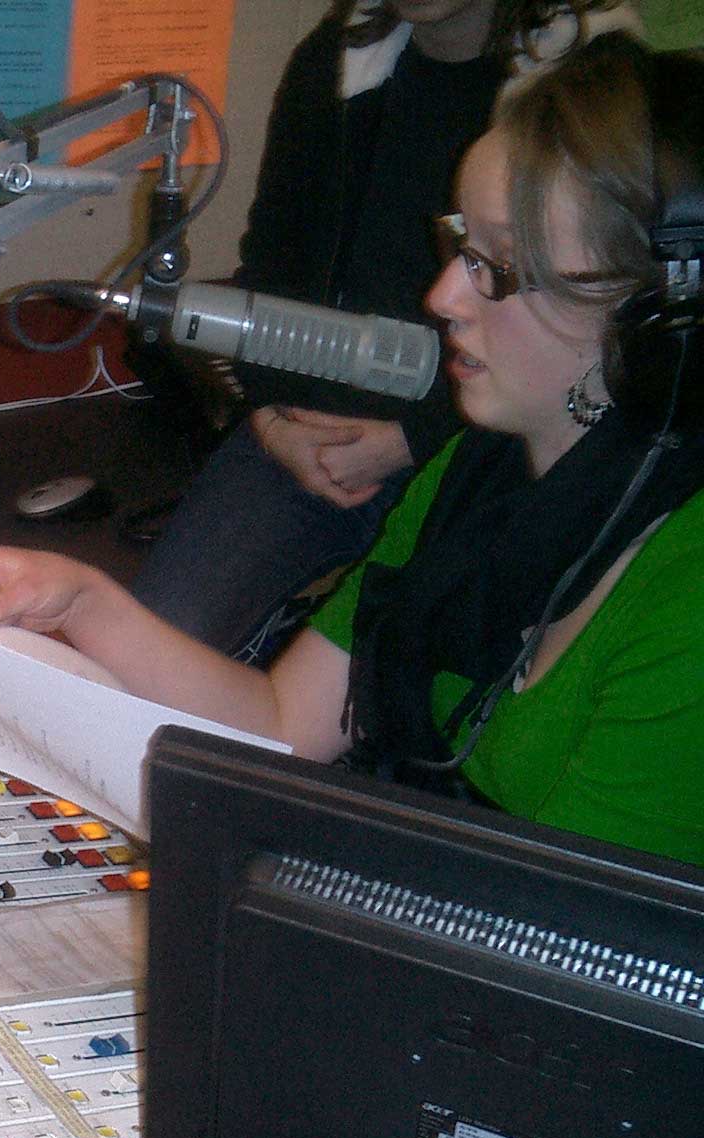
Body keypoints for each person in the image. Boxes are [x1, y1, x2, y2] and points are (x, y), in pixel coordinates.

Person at [0, 31, 704, 863]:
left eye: (500, 267)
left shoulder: (685, 595)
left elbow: (572, 951)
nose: (443, 294)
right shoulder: (470, 472)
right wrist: (82, 600)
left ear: (656, 316)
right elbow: (285, 722)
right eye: (460, 246)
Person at [127, 0, 639, 665]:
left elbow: (596, 341)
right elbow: (272, 263)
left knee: (430, 677)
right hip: (305, 431)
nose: (446, 294)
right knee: (147, 657)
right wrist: (274, 420)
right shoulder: (334, 63)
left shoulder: (590, 88)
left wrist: (414, 437)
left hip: (487, 449)